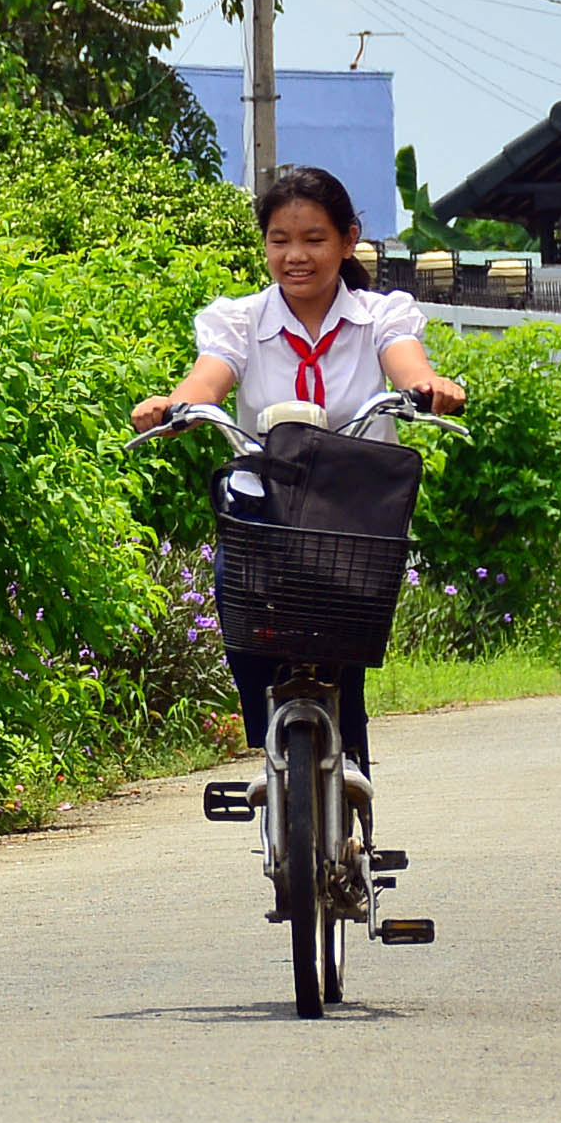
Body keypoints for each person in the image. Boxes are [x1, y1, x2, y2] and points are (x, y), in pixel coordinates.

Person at [129, 164, 466, 777]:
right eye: (279, 240)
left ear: (348, 240)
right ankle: (270, 744)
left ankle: (350, 759)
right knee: (233, 585)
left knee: (348, 633)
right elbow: (209, 376)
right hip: (268, 507)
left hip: (353, 511)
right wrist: (174, 407)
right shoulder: (241, 320)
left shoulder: (380, 316)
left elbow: (407, 364)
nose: (295, 256)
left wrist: (429, 386)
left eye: (314, 239)